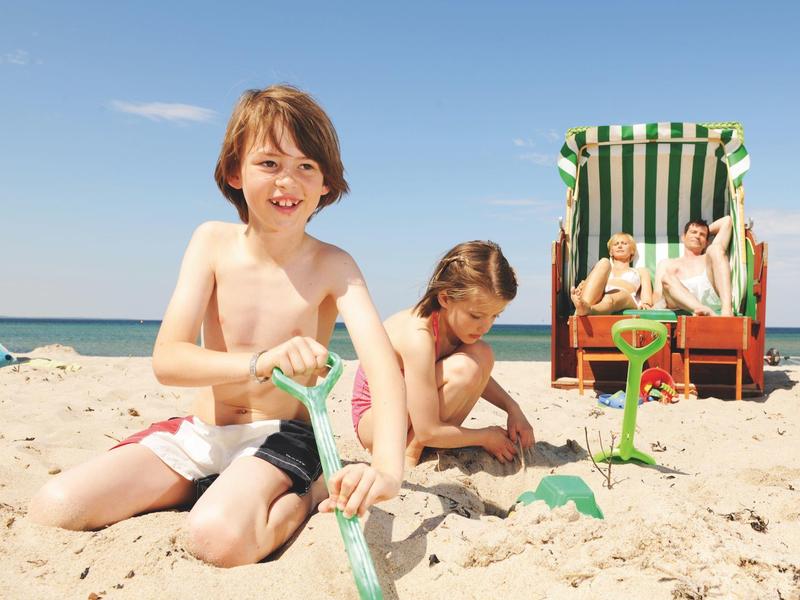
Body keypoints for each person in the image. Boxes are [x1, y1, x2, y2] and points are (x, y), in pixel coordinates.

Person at [28, 85, 407, 567]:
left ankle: (306, 492)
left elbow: (382, 367)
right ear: (234, 171)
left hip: (282, 435)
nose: (286, 182)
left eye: (305, 167)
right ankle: (207, 485)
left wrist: (389, 471)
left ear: (326, 183)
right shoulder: (210, 242)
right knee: (55, 506)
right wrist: (261, 362)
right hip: (200, 433)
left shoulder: (335, 265)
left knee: (217, 540)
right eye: (269, 163)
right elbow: (168, 360)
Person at [351, 240, 535, 469]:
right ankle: (411, 450)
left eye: (495, 316)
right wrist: (484, 436)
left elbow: (476, 375)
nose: (485, 326)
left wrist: (512, 407)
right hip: (376, 422)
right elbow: (429, 424)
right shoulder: (418, 336)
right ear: (446, 298)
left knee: (482, 354)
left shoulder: (456, 325)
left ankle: (422, 442)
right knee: (464, 369)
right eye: (477, 316)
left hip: (411, 413)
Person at [654, 216, 733, 316]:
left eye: (702, 235)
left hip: (711, 300)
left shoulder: (709, 258)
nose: (697, 236)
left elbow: (727, 221)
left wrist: (705, 230)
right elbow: (657, 294)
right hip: (678, 304)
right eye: (693, 232)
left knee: (716, 249)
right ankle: (701, 309)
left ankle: (727, 311)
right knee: (666, 278)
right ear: (683, 237)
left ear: (706, 242)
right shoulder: (666, 263)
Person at [570, 232, 653, 316]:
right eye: (616, 244)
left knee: (610, 298)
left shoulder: (640, 271)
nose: (620, 246)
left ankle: (588, 310)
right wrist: (583, 285)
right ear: (611, 252)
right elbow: (590, 284)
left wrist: (646, 303)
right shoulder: (603, 269)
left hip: (626, 298)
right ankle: (582, 308)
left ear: (632, 251)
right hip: (599, 296)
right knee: (604, 262)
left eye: (624, 243)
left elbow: (647, 299)